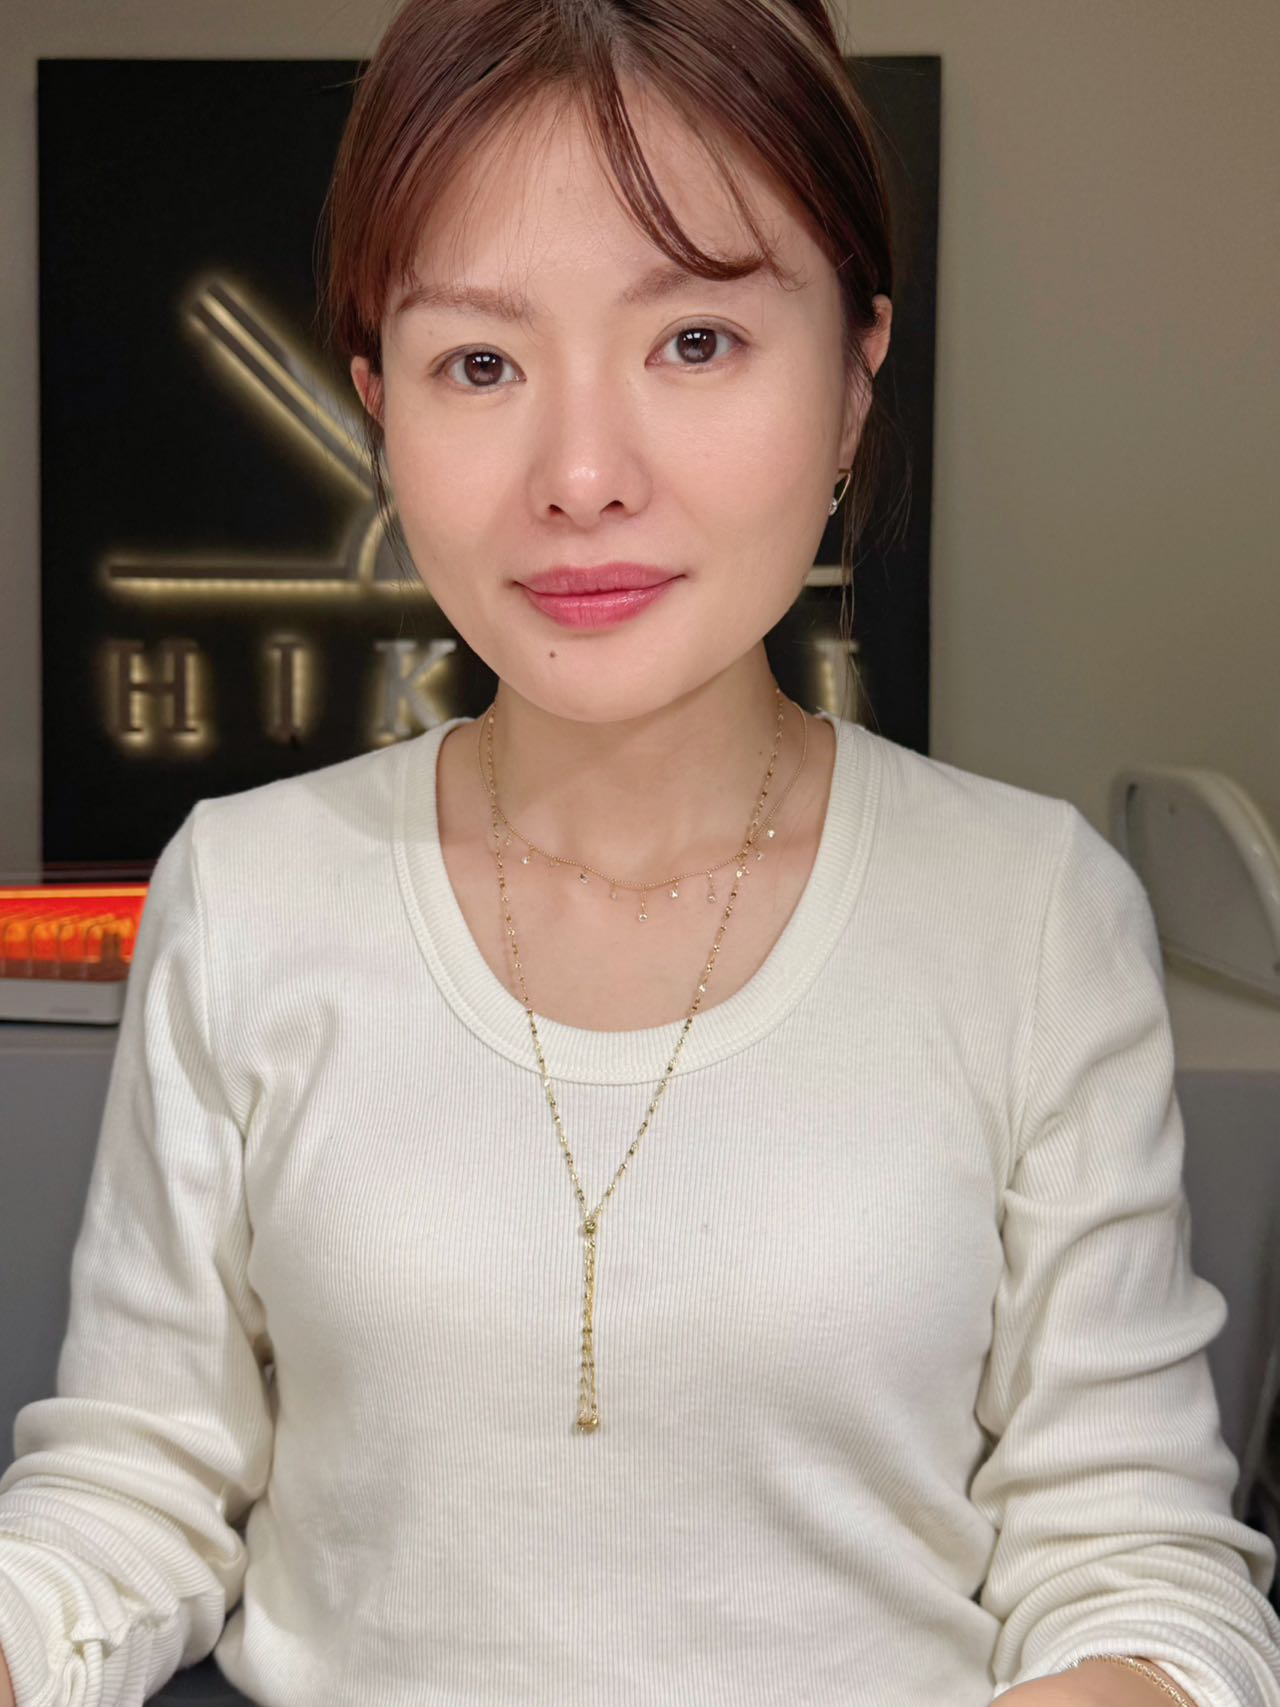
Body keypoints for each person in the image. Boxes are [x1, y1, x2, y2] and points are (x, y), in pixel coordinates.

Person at [2, 0, 1280, 1701]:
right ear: (378, 406)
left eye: (695, 340)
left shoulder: (1033, 916)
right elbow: (132, 1494)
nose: (582, 475)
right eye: (480, 363)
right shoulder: (244, 895)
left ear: (855, 377)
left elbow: (1134, 1562)